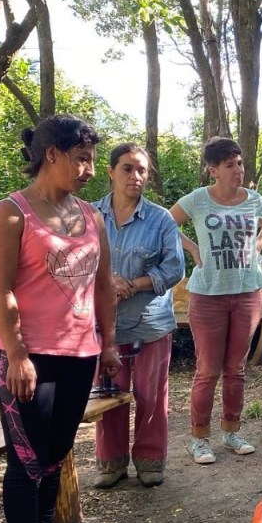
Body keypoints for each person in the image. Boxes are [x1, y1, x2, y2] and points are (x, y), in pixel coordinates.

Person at [0, 115, 121, 523]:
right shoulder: (11, 214)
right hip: (28, 358)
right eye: (81, 158)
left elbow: (103, 286)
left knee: (56, 455)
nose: (89, 169)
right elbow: (0, 291)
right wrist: (16, 354)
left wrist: (107, 344)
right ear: (52, 155)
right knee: (27, 461)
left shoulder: (92, 216)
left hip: (79, 353)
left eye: (91, 159)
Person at [169, 136, 262, 464]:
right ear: (213, 170)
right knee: (207, 370)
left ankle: (231, 432)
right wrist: (191, 247)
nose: (238, 170)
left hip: (247, 292)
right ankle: (199, 438)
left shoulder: (255, 200)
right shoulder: (198, 200)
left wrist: (259, 245)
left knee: (236, 369)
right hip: (207, 295)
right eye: (230, 165)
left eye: (240, 163)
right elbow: (165, 223)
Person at [93, 144, 185, 489]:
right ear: (111, 171)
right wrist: (106, 281)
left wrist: (134, 284)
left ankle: (150, 462)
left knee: (151, 395)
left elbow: (174, 268)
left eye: (142, 170)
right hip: (105, 327)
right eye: (128, 168)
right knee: (109, 394)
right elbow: (76, 264)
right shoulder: (89, 215)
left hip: (150, 324)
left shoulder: (160, 218)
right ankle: (111, 464)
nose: (136, 176)